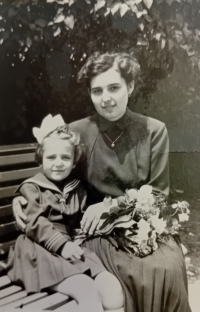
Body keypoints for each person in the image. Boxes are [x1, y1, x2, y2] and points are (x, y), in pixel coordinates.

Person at [12, 52, 191, 312]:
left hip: (141, 224)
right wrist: (22, 196)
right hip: (95, 233)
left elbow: (160, 195)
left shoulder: (154, 131)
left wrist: (113, 206)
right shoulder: (77, 131)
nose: (106, 98)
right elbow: (52, 169)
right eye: (97, 91)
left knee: (166, 265)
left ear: (129, 86)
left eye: (114, 88)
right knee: (133, 272)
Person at [7, 114, 124, 312]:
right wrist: (62, 246)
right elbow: (34, 223)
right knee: (87, 291)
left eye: (65, 157)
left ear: (74, 160)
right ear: (40, 158)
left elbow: (82, 219)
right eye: (51, 157)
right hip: (38, 250)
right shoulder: (32, 188)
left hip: (70, 247)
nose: (59, 163)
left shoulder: (77, 188)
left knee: (113, 292)